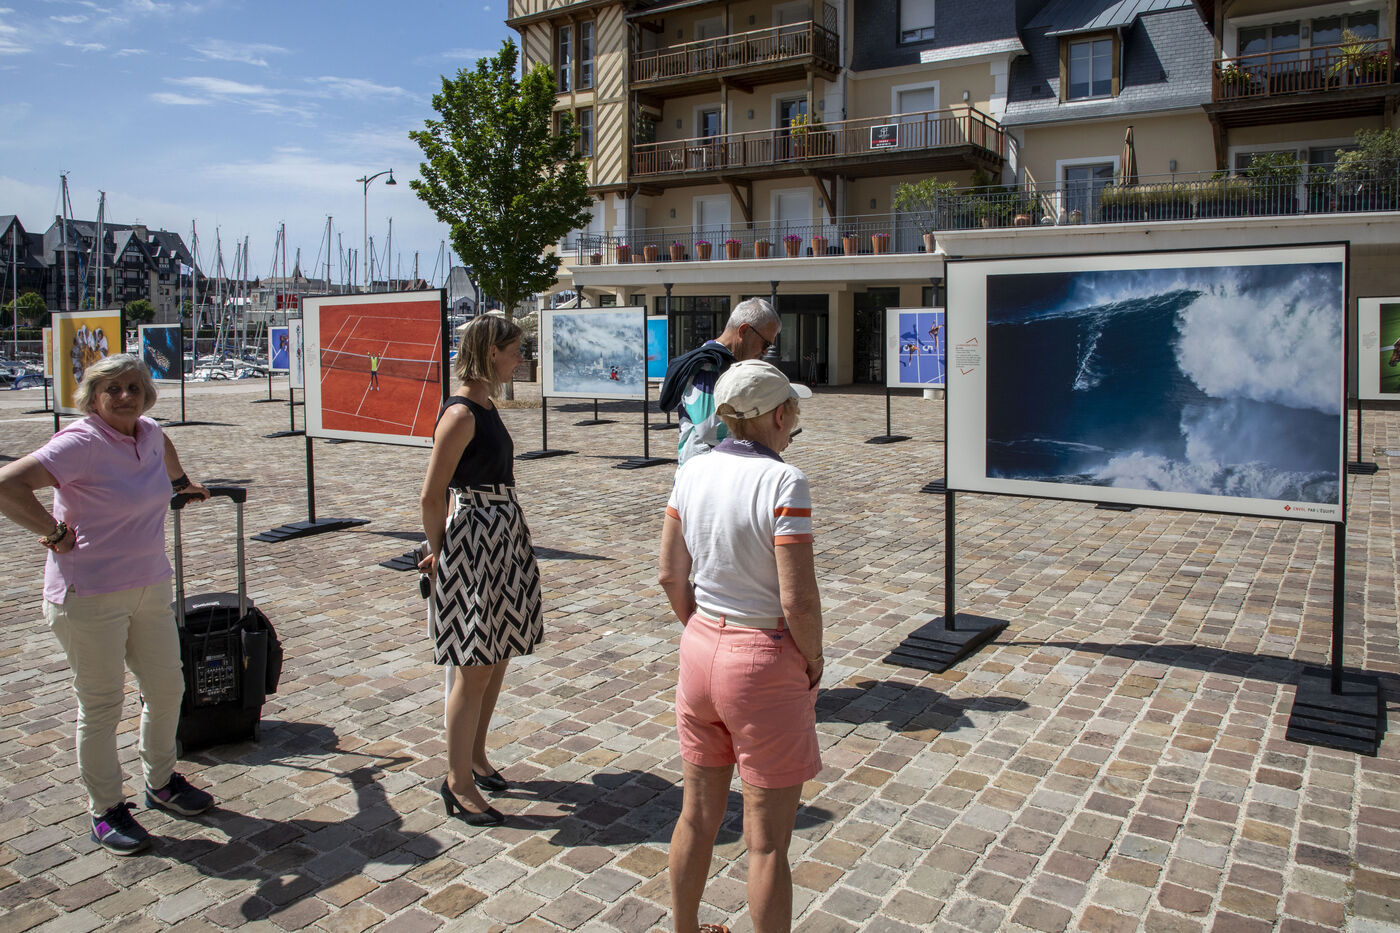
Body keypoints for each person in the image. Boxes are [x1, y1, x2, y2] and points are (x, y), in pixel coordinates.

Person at [0, 355, 215, 856]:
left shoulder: (149, 432)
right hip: (89, 596)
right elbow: (6, 484)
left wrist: (181, 483)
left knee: (167, 689)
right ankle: (105, 808)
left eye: (134, 387)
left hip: (150, 586)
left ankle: (161, 781)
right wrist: (53, 532)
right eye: (112, 388)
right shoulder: (81, 442)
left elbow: (164, 447)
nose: (124, 396)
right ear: (93, 397)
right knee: (101, 706)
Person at [658, 359, 822, 933]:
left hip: (700, 648)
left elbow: (670, 574)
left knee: (696, 817)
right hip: (762, 657)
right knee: (767, 843)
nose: (793, 425)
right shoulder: (784, 481)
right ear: (776, 416)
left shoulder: (692, 471)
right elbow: (798, 600)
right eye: (792, 414)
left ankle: (684, 928)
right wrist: (813, 658)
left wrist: (702, 629)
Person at [419, 315, 543, 828]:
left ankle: (474, 755)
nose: (521, 359)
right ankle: (457, 782)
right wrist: (440, 553)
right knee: (474, 665)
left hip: (500, 536)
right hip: (475, 543)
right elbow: (432, 495)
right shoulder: (461, 414)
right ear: (492, 351)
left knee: (497, 655)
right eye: (516, 350)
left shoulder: (486, 405)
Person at [659, 298, 781, 465]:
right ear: (744, 330)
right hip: (703, 472)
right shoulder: (708, 365)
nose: (765, 352)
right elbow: (710, 429)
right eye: (765, 344)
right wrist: (765, 436)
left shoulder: (725, 363)